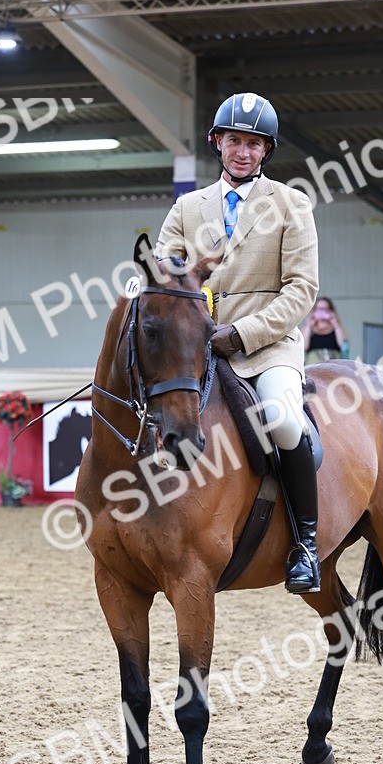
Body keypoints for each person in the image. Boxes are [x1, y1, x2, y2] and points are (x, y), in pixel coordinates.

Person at [156, 92, 320, 593]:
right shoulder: (188, 207)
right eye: (234, 141)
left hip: (266, 346)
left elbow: (302, 289)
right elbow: (166, 272)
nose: (242, 152)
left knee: (283, 419)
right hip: (198, 347)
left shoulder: (291, 204)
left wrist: (243, 333)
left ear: (265, 150)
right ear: (217, 143)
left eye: (252, 144)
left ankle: (305, 545)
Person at [303, 296, 349, 364]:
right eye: (318, 309)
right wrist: (309, 324)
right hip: (312, 370)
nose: (321, 312)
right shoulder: (309, 329)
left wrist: (335, 323)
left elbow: (344, 346)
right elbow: (303, 347)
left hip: (334, 369)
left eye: (325, 309)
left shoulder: (336, 328)